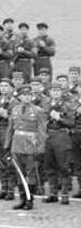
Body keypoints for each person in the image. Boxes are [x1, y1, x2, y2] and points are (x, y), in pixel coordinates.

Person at [6, 85, 47, 210]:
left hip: (31, 145)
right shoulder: (15, 109)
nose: (27, 97)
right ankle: (22, 199)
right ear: (19, 97)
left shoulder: (38, 110)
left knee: (31, 173)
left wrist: (40, 149)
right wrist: (7, 145)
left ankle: (30, 200)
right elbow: (10, 129)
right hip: (17, 144)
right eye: (24, 95)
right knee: (20, 173)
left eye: (29, 95)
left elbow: (42, 131)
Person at [43, 76, 75, 204]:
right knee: (49, 166)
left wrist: (59, 118)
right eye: (53, 90)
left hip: (61, 136)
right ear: (49, 92)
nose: (55, 93)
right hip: (48, 136)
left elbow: (71, 122)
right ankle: (52, 193)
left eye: (58, 90)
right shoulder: (45, 105)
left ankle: (65, 194)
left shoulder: (67, 105)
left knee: (63, 166)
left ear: (61, 92)